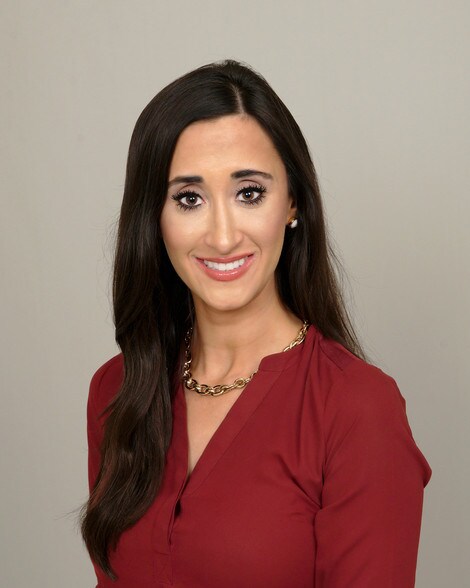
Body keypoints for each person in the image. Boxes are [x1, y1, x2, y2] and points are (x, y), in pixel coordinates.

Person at [81, 60, 432, 587]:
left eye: (249, 192)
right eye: (189, 199)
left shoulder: (356, 410)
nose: (223, 237)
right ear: (154, 217)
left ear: (292, 203)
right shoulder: (117, 391)